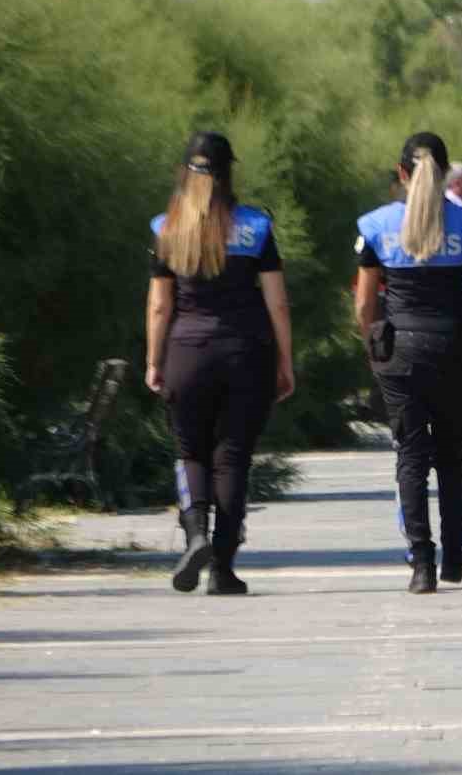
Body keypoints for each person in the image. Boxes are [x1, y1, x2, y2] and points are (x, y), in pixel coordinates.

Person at [356, 132, 462, 594]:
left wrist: (373, 345)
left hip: (399, 350)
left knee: (410, 455)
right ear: (443, 173)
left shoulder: (375, 226)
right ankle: (455, 552)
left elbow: (365, 304)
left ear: (402, 174)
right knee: (451, 456)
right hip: (452, 348)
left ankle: (421, 561)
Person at [146, 131, 295, 596]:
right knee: (232, 458)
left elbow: (159, 306)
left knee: (191, 452)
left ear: (185, 172)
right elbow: (277, 304)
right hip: (246, 354)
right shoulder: (257, 227)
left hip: (186, 352)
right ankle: (223, 569)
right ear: (230, 171)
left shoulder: (165, 228)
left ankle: (194, 537)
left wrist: (154, 360)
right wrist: (285, 361)